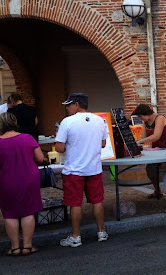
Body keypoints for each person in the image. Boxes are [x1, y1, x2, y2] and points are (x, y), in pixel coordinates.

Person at [56, 93, 109, 247]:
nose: (67, 108)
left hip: (74, 170)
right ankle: (101, 232)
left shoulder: (67, 122)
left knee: (75, 203)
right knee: (97, 201)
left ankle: (75, 236)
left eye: (69, 105)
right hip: (94, 168)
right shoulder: (99, 120)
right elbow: (104, 143)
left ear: (77, 105)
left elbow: (59, 147)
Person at [0, 112, 44, 255]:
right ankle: (27, 246)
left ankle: (14, 247)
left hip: (6, 180)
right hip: (28, 178)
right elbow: (40, 158)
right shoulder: (27, 138)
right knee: (28, 211)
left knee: (9, 213)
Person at [134, 104, 166, 199]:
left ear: (145, 113)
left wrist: (140, 141)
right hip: (156, 149)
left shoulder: (159, 118)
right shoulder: (145, 121)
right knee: (150, 170)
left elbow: (156, 136)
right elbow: (143, 137)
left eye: (140, 116)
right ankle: (157, 190)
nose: (140, 118)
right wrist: (138, 142)